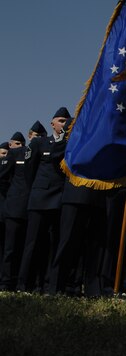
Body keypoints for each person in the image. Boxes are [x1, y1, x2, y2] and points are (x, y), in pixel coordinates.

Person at [48, 119, 108, 297]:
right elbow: (56, 157)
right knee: (67, 243)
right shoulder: (76, 125)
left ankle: (90, 290)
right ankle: (57, 287)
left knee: (95, 247)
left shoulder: (103, 132)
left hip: (98, 195)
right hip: (75, 194)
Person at [18, 107, 71, 292]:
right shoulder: (40, 143)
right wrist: (37, 189)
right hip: (40, 198)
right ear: (52, 123)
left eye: (67, 121)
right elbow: (28, 170)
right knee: (32, 244)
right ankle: (24, 285)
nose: (64, 124)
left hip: (59, 199)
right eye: (61, 121)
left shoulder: (69, 143)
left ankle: (48, 286)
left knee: (53, 245)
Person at [0, 131, 32, 290]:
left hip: (31, 206)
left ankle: (21, 282)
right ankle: (6, 282)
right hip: (14, 206)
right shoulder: (15, 155)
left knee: (23, 248)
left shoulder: (33, 155)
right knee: (10, 248)